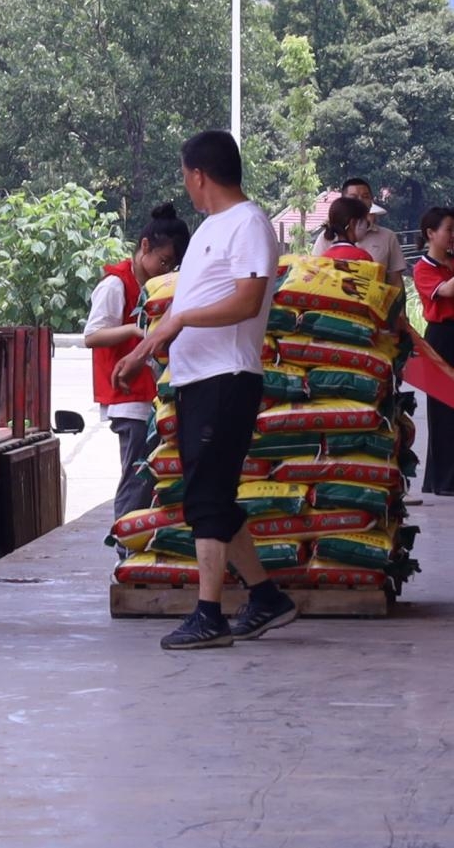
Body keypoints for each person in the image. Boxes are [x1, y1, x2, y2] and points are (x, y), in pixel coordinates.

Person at [113, 130, 295, 650]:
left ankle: (209, 614)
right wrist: (143, 350)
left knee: (207, 498)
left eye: (185, 175)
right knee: (210, 496)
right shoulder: (211, 229)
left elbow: (247, 301)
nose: (186, 184)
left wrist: (181, 321)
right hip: (196, 380)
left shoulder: (249, 224)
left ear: (199, 174)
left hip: (227, 378)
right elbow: (184, 305)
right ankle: (266, 597)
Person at [84, 204, 192, 526]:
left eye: (173, 265)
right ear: (145, 246)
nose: (166, 269)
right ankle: (125, 544)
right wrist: (136, 331)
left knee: (151, 476)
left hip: (152, 398)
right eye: (164, 261)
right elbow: (92, 335)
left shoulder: (160, 289)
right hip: (128, 399)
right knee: (136, 478)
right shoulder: (115, 284)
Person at [412, 207, 454, 496]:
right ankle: (444, 480)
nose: (452, 236)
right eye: (449, 229)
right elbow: (447, 292)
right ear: (431, 233)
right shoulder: (423, 268)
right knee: (443, 408)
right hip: (441, 338)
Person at [317, 177, 406, 284]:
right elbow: (316, 274)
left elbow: (395, 280)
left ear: (371, 201)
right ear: (343, 201)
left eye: (365, 196)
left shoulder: (388, 237)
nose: (359, 201)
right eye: (353, 197)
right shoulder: (325, 237)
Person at [318, 194, 374, 263]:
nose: (367, 225)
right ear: (353, 223)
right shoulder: (363, 257)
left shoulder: (324, 258)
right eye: (364, 221)